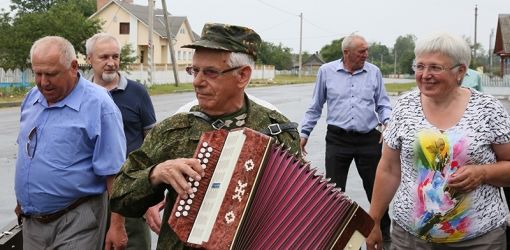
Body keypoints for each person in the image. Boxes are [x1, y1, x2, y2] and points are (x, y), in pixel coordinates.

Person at [109, 23, 301, 249]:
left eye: (210, 72)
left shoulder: (278, 130)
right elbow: (120, 197)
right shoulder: (175, 129)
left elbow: (298, 206)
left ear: (242, 76)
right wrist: (155, 174)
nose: (197, 81)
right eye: (194, 70)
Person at [367, 32, 510, 250]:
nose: (425, 75)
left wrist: (484, 173)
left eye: (435, 67)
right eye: (420, 66)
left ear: (460, 71)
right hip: (410, 240)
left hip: (480, 241)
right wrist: (374, 220)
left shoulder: (488, 109)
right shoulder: (405, 107)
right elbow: (388, 168)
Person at [14, 36, 127, 249]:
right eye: (38, 73)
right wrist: (23, 200)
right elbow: (27, 153)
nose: (43, 82)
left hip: (77, 219)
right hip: (32, 223)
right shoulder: (32, 98)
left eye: (51, 74)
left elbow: (114, 172)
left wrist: (117, 225)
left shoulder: (99, 104)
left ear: (74, 67)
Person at [299, 34, 392, 246]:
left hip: (369, 138)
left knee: (375, 190)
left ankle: (385, 235)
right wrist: (304, 133)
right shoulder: (326, 72)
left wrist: (388, 122)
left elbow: (383, 104)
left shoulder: (373, 72)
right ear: (346, 53)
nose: (366, 55)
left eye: (367, 50)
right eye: (362, 51)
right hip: (337, 139)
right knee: (334, 193)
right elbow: (315, 106)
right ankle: (337, 239)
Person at [86, 33, 159, 250]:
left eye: (115, 57)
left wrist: (150, 193)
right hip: (90, 197)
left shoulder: (137, 93)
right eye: (104, 57)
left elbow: (152, 144)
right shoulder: (81, 95)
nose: (111, 63)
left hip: (130, 195)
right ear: (89, 59)